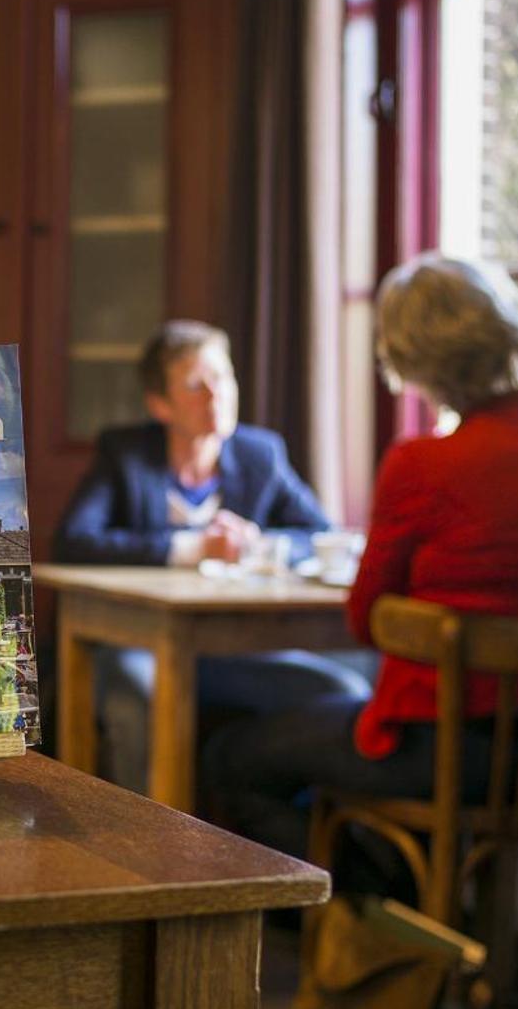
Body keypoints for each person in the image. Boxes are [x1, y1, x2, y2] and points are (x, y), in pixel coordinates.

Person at [200, 254, 518, 896]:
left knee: (233, 760)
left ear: (417, 361)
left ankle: (389, 918)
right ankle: (422, 922)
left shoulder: (424, 465)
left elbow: (365, 619)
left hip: (450, 751)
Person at [51, 320, 371, 793]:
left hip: (233, 649)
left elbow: (321, 535)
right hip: (138, 644)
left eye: (223, 378)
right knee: (141, 695)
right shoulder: (126, 454)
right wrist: (194, 546)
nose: (216, 396)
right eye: (197, 385)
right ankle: (149, 851)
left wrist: (257, 542)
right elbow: (73, 541)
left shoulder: (261, 454)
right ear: (160, 404)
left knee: (343, 691)